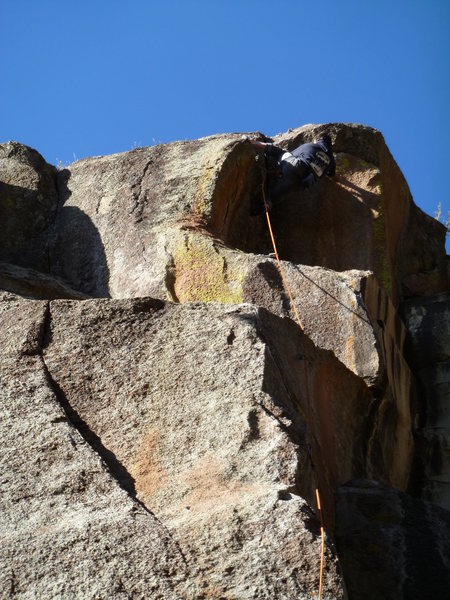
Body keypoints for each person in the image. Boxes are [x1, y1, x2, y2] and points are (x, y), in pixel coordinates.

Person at [249, 134, 336, 213]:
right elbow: (331, 174)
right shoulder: (331, 160)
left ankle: (251, 142)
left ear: (318, 140)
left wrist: (282, 167)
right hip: (303, 183)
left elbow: (292, 155)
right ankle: (266, 204)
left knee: (280, 152)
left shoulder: (310, 146)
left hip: (295, 167)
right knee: (279, 192)